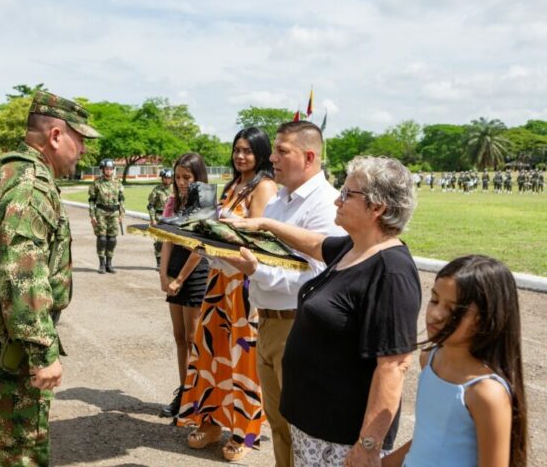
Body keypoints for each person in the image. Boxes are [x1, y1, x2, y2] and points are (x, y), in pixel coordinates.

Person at [227, 155, 422, 467]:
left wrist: (368, 445)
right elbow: (316, 244)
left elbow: (394, 365)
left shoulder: (391, 272)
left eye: (347, 194)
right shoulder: (353, 247)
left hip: (341, 439)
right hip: (313, 427)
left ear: (377, 208)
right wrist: (266, 224)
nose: (337, 200)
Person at [0, 90, 99, 466]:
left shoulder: (13, 172)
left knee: (10, 447)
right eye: (80, 138)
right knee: (20, 454)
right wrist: (41, 351)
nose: (83, 149)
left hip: (0, 335)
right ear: (55, 136)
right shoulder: (29, 187)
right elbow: (24, 276)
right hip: (12, 346)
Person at [220, 121, 346, 466]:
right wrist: (216, 253)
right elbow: (259, 260)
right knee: (279, 425)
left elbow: (317, 277)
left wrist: (254, 270)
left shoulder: (325, 204)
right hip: (269, 324)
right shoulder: (278, 202)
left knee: (303, 429)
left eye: (281, 151)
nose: (272, 157)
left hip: (298, 326)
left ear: (308, 156)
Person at [177, 128, 278, 463]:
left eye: (248, 151)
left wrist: (226, 222)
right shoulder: (233, 184)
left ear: (261, 154)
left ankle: (244, 430)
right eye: (237, 149)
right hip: (218, 277)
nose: (240, 156)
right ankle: (210, 422)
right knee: (211, 351)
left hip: (243, 284)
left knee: (243, 357)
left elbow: (256, 233)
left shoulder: (264, 186)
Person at [383, 255, 528, 467]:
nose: (435, 314)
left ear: (485, 318)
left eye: (452, 309)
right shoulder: (429, 359)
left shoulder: (486, 393)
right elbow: (428, 439)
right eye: (434, 300)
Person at [157, 153, 211, 419]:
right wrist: (163, 274)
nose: (181, 182)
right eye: (178, 177)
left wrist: (180, 278)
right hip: (175, 269)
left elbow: (200, 247)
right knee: (179, 337)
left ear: (198, 177)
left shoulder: (206, 205)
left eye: (187, 178)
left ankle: (198, 396)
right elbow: (167, 240)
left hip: (196, 273)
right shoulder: (173, 203)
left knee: (193, 338)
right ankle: (184, 391)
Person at [88, 158, 124, 273]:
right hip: (101, 213)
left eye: (110, 169)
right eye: (106, 169)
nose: (108, 171)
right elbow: (91, 200)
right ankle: (102, 264)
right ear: (102, 169)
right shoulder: (97, 183)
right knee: (102, 238)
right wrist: (92, 216)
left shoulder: (118, 183)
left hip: (114, 213)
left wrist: (121, 214)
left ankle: (109, 264)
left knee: (112, 239)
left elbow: (121, 199)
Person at [147, 168, 173, 269]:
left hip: (171, 218)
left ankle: (169, 262)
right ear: (162, 178)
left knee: (171, 240)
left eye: (169, 178)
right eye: (165, 178)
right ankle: (159, 262)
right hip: (159, 217)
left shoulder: (175, 190)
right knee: (159, 241)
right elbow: (150, 205)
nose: (167, 180)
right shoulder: (157, 190)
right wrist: (152, 218)